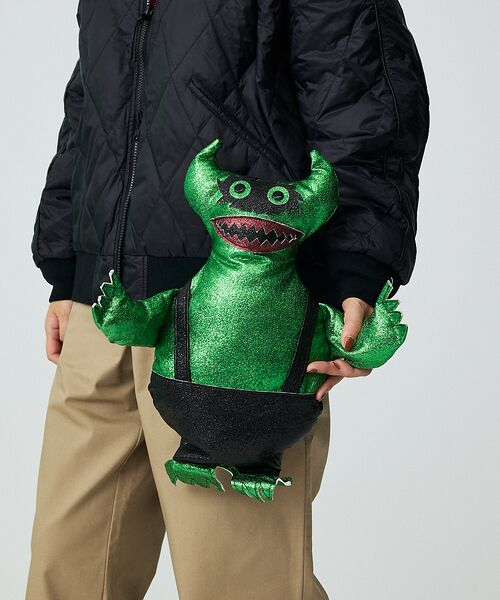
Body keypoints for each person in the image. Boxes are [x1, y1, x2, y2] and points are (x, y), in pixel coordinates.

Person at [27, 1, 429, 599]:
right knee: (66, 576)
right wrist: (67, 264)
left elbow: (362, 93)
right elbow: (94, 99)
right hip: (103, 306)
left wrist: (355, 270)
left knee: (242, 584)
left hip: (244, 314)